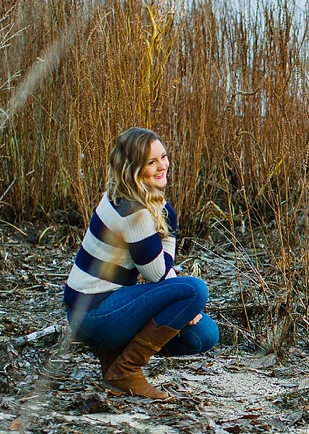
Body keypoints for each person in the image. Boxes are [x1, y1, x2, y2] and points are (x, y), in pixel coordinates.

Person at [62, 127, 218, 400]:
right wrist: (169, 223)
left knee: (204, 335)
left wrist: (165, 215)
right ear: (133, 168)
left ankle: (112, 356)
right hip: (94, 314)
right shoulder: (134, 213)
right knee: (195, 290)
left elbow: (159, 270)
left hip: (103, 308)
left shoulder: (119, 194)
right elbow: (157, 272)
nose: (163, 166)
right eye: (151, 162)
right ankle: (126, 370)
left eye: (164, 157)